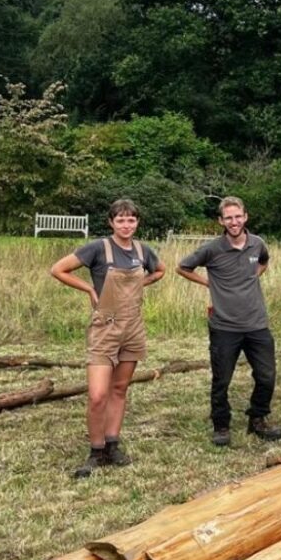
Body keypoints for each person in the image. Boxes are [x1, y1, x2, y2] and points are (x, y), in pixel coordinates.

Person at [50, 199, 166, 478]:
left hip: (133, 327)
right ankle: (96, 450)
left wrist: (143, 282)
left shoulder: (142, 250)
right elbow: (58, 269)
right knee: (97, 395)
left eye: (132, 220)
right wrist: (89, 290)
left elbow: (160, 270)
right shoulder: (98, 248)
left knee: (120, 389)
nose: (127, 225)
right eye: (121, 220)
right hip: (105, 327)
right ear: (111, 222)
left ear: (137, 223)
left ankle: (112, 444)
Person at [177, 196, 281, 448]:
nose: (234, 222)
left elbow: (264, 262)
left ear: (245, 217)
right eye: (228, 218)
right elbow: (183, 267)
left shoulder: (257, 244)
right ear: (221, 221)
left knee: (267, 376)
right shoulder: (211, 249)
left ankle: (257, 418)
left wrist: (251, 278)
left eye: (238, 216)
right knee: (222, 379)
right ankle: (221, 424)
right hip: (224, 326)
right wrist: (209, 283)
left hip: (257, 323)